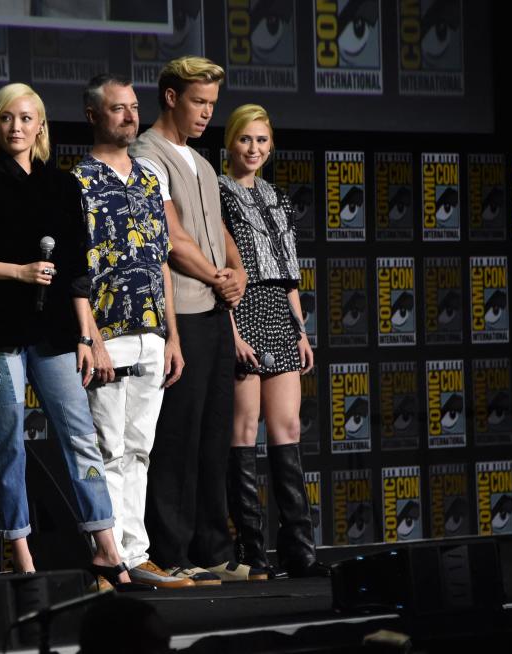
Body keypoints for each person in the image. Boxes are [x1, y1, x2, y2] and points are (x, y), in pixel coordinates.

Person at [0, 83, 134, 588]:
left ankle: (106, 547)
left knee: (80, 435)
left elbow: (77, 269)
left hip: (56, 334)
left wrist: (86, 336)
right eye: (8, 118)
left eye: (27, 118)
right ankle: (22, 555)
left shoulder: (62, 186)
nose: (17, 127)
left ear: (41, 128)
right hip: (0, 331)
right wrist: (18, 272)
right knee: (8, 442)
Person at [130, 56, 251, 584]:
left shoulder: (201, 162)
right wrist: (216, 277)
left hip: (215, 313)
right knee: (176, 438)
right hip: (179, 310)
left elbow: (218, 226)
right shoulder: (146, 152)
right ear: (172, 97)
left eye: (212, 104)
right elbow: (170, 235)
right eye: (198, 102)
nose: (206, 114)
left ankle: (214, 548)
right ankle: (173, 548)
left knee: (212, 435)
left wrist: (239, 270)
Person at [70, 74, 193, 590]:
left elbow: (161, 258)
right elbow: (77, 265)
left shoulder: (149, 177)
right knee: (106, 450)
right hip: (108, 332)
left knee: (140, 448)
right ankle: (107, 556)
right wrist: (90, 335)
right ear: (94, 115)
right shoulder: (76, 179)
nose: (129, 116)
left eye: (133, 107)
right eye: (117, 109)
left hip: (151, 333)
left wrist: (173, 334)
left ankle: (136, 555)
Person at [218, 104, 329, 578]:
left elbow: (289, 275)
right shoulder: (217, 193)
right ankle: (251, 551)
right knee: (243, 433)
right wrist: (233, 332)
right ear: (230, 143)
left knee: (287, 431)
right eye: (246, 140)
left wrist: (301, 330)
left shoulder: (279, 198)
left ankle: (299, 550)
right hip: (240, 312)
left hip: (281, 318)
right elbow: (218, 272)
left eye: (262, 141)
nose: (254, 149)